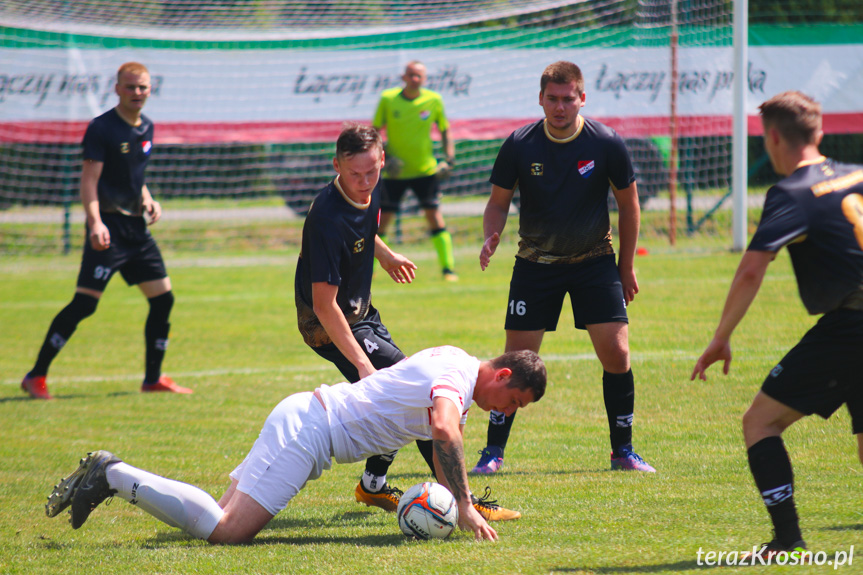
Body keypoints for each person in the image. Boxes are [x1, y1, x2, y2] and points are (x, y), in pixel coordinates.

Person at [45, 346, 547, 544]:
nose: (507, 411)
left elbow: (443, 443)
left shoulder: (457, 376)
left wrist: (460, 506)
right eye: (514, 400)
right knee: (226, 533)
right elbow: (443, 432)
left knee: (214, 515)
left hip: (307, 419)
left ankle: (112, 476)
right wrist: (461, 503)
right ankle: (111, 474)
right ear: (502, 374)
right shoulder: (457, 376)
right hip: (309, 431)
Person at [294, 125, 518, 521]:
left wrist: (385, 254)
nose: (364, 183)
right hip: (328, 323)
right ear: (336, 166)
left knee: (402, 393)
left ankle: (374, 486)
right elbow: (323, 306)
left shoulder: (372, 188)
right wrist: (364, 365)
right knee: (418, 396)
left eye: (371, 172)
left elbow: (363, 228)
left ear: (381, 160)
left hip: (360, 311)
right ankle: (461, 504)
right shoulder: (327, 216)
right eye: (354, 175)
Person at [691, 91, 863, 557]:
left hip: (852, 325)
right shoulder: (857, 173)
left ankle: (787, 540)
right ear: (820, 132)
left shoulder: (790, 193)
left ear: (771, 138)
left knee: (760, 423)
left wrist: (721, 337)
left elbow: (751, 269)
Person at [472, 61, 655, 474]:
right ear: (540, 99)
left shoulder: (606, 142)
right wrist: (491, 235)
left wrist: (626, 267)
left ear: (582, 98)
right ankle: (493, 452)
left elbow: (629, 205)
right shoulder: (520, 144)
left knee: (617, 352)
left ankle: (623, 451)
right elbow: (498, 202)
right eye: (552, 99)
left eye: (567, 98)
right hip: (535, 265)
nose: (559, 107)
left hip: (595, 262)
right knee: (515, 362)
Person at [20, 62, 191, 400]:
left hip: (135, 231)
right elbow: (89, 180)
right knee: (85, 304)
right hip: (108, 228)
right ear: (117, 89)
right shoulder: (102, 128)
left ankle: (153, 378)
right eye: (130, 87)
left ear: (150, 89)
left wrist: (148, 199)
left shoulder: (148, 128)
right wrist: (95, 222)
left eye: (142, 87)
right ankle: (36, 375)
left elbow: (135, 177)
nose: (137, 93)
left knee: (163, 299)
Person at [372, 60, 458, 281]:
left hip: (425, 171)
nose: (415, 79)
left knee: (434, 217)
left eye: (419, 75)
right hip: (395, 173)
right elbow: (374, 132)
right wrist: (386, 157)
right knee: (383, 222)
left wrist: (449, 159)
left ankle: (448, 269)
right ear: (404, 77)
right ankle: (366, 271)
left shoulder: (433, 100)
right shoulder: (388, 99)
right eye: (411, 75)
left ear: (424, 79)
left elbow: (445, 130)